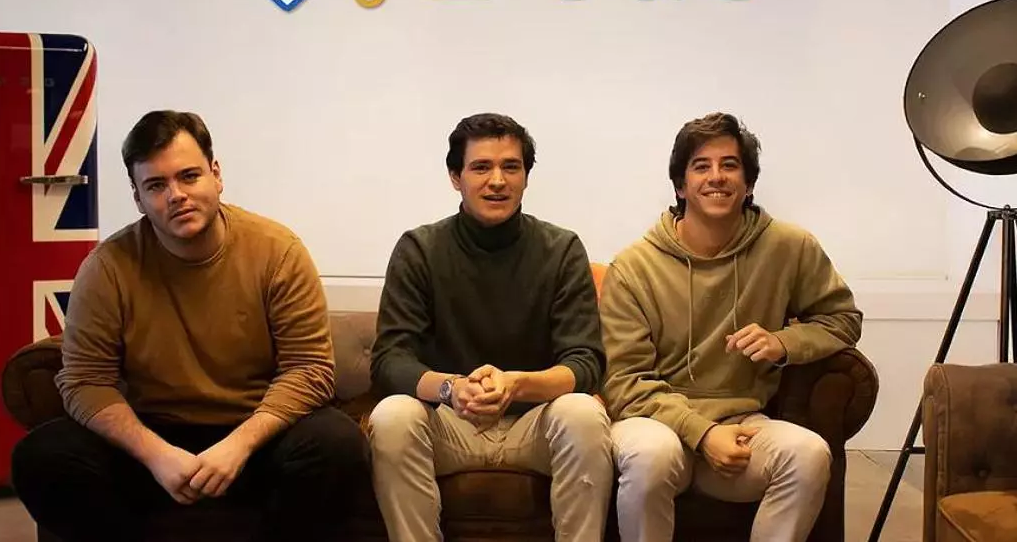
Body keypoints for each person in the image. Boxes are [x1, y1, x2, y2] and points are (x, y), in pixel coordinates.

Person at [10, 110, 369, 542]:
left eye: (189, 176)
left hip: (256, 435)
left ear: (216, 175)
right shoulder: (107, 267)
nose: (176, 195)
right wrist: (156, 456)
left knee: (336, 444)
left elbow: (309, 368)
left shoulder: (278, 252)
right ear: (138, 197)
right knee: (42, 455)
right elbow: (85, 381)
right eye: (156, 185)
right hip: (152, 437)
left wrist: (238, 446)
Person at [598, 112, 863, 542]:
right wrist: (703, 434)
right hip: (656, 423)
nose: (716, 177)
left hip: (742, 423)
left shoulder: (788, 247)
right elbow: (624, 383)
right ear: (680, 186)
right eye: (701, 166)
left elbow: (843, 319)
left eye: (730, 165)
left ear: (749, 183)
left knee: (809, 454)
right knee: (650, 457)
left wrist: (783, 343)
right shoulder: (634, 266)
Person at [366, 112, 613, 542]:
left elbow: (585, 361)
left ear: (526, 177)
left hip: (534, 423)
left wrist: (517, 385)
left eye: (510, 167)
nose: (497, 180)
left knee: (584, 413)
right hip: (450, 424)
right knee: (392, 416)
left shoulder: (561, 249)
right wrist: (453, 388)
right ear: (455, 177)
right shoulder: (419, 249)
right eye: (481, 167)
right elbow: (390, 360)